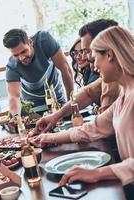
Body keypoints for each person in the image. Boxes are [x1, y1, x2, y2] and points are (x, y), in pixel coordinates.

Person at [32, 26, 134, 199]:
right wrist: (47, 137)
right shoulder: (125, 95)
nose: (94, 67)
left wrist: (97, 173)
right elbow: (92, 128)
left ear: (109, 55)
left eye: (95, 59)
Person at [36, 19, 120, 132]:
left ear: (108, 51)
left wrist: (52, 137)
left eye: (88, 51)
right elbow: (88, 93)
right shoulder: (111, 72)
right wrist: (55, 116)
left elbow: (103, 126)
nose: (84, 57)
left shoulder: (115, 78)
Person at [2, 28, 74, 116]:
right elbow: (14, 97)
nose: (21, 58)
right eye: (16, 55)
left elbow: (65, 69)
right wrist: (16, 118)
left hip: (55, 94)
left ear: (30, 42)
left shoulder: (44, 40)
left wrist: (71, 102)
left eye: (24, 51)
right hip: (33, 103)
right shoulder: (12, 66)